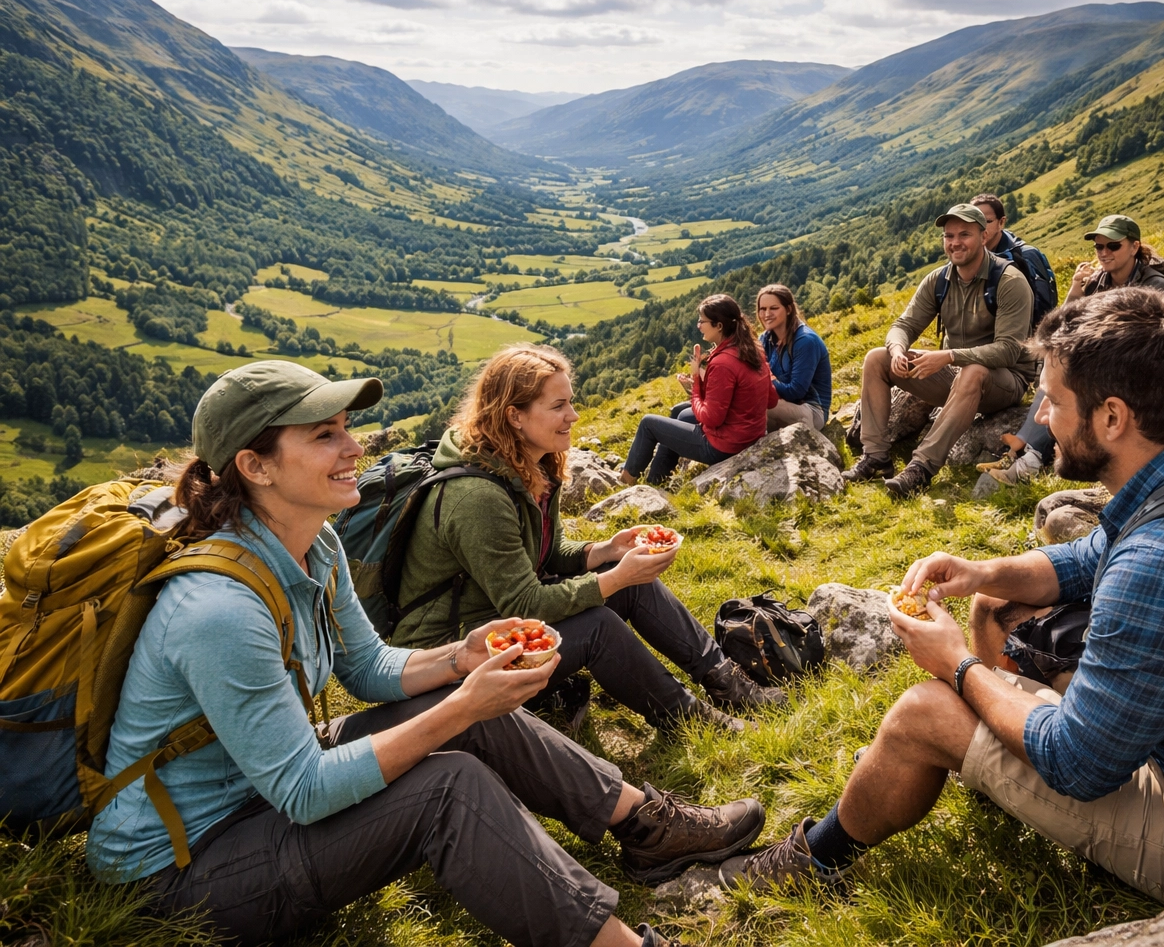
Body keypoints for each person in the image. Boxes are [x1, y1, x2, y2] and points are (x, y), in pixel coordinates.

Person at [88, 360, 764, 947]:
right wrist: (462, 706)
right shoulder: (218, 610)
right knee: (448, 788)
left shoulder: (314, 548)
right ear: (254, 465)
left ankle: (644, 826)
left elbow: (369, 668)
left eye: (346, 427)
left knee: (462, 709)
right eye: (325, 435)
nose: (353, 447)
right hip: (183, 866)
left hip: (257, 789)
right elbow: (304, 791)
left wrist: (460, 662)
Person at [718, 288, 1164, 904]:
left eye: (1052, 400)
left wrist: (954, 666)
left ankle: (814, 861)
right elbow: (1086, 557)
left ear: (1112, 417)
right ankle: (986, 760)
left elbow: (1076, 762)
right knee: (994, 604)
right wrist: (977, 571)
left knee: (924, 712)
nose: (1042, 418)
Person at [391, 345, 783, 735]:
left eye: (571, 403)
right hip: (450, 654)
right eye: (558, 406)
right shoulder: (477, 497)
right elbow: (526, 600)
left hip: (496, 619)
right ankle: (688, 718)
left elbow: (549, 554)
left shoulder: (531, 462)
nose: (573, 416)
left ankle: (728, 683)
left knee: (629, 584)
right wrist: (615, 578)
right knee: (598, 622)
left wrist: (608, 551)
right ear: (514, 416)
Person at [842, 203, 1035, 498]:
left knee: (973, 371)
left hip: (1003, 383)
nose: (955, 242)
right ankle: (876, 457)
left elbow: (1009, 351)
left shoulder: (1009, 281)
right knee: (876, 359)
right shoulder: (939, 280)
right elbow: (903, 325)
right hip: (958, 376)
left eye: (964, 235)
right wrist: (896, 350)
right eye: (949, 236)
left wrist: (949, 356)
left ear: (984, 236)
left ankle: (921, 468)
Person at [987, 214, 1164, 485]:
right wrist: (1077, 289)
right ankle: (1027, 451)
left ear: (1134, 247)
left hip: (1142, 373)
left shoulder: (1155, 286)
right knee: (1058, 365)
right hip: (1106, 365)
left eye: (1113, 246)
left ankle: (1027, 455)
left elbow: (1161, 344)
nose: (1104, 253)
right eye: (1099, 247)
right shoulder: (1097, 281)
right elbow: (1065, 323)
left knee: (1068, 379)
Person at [622, 294, 775, 485]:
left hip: (725, 445)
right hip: (750, 434)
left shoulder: (723, 362)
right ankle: (656, 480)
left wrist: (696, 382)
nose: (699, 325)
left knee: (648, 423)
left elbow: (712, 418)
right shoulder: (753, 350)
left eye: (702, 321)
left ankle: (625, 480)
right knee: (679, 412)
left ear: (719, 326)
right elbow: (771, 400)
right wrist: (704, 385)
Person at [972, 193, 1057, 330]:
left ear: (1001, 222)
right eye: (974, 222)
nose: (980, 227)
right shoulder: (969, 257)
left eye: (987, 221)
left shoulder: (1026, 257)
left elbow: (1042, 312)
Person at [757, 283, 833, 432]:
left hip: (810, 411)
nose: (767, 314)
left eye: (774, 308)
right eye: (762, 309)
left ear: (788, 309)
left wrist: (768, 379)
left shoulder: (805, 341)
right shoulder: (765, 339)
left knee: (749, 406)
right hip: (780, 403)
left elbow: (795, 391)